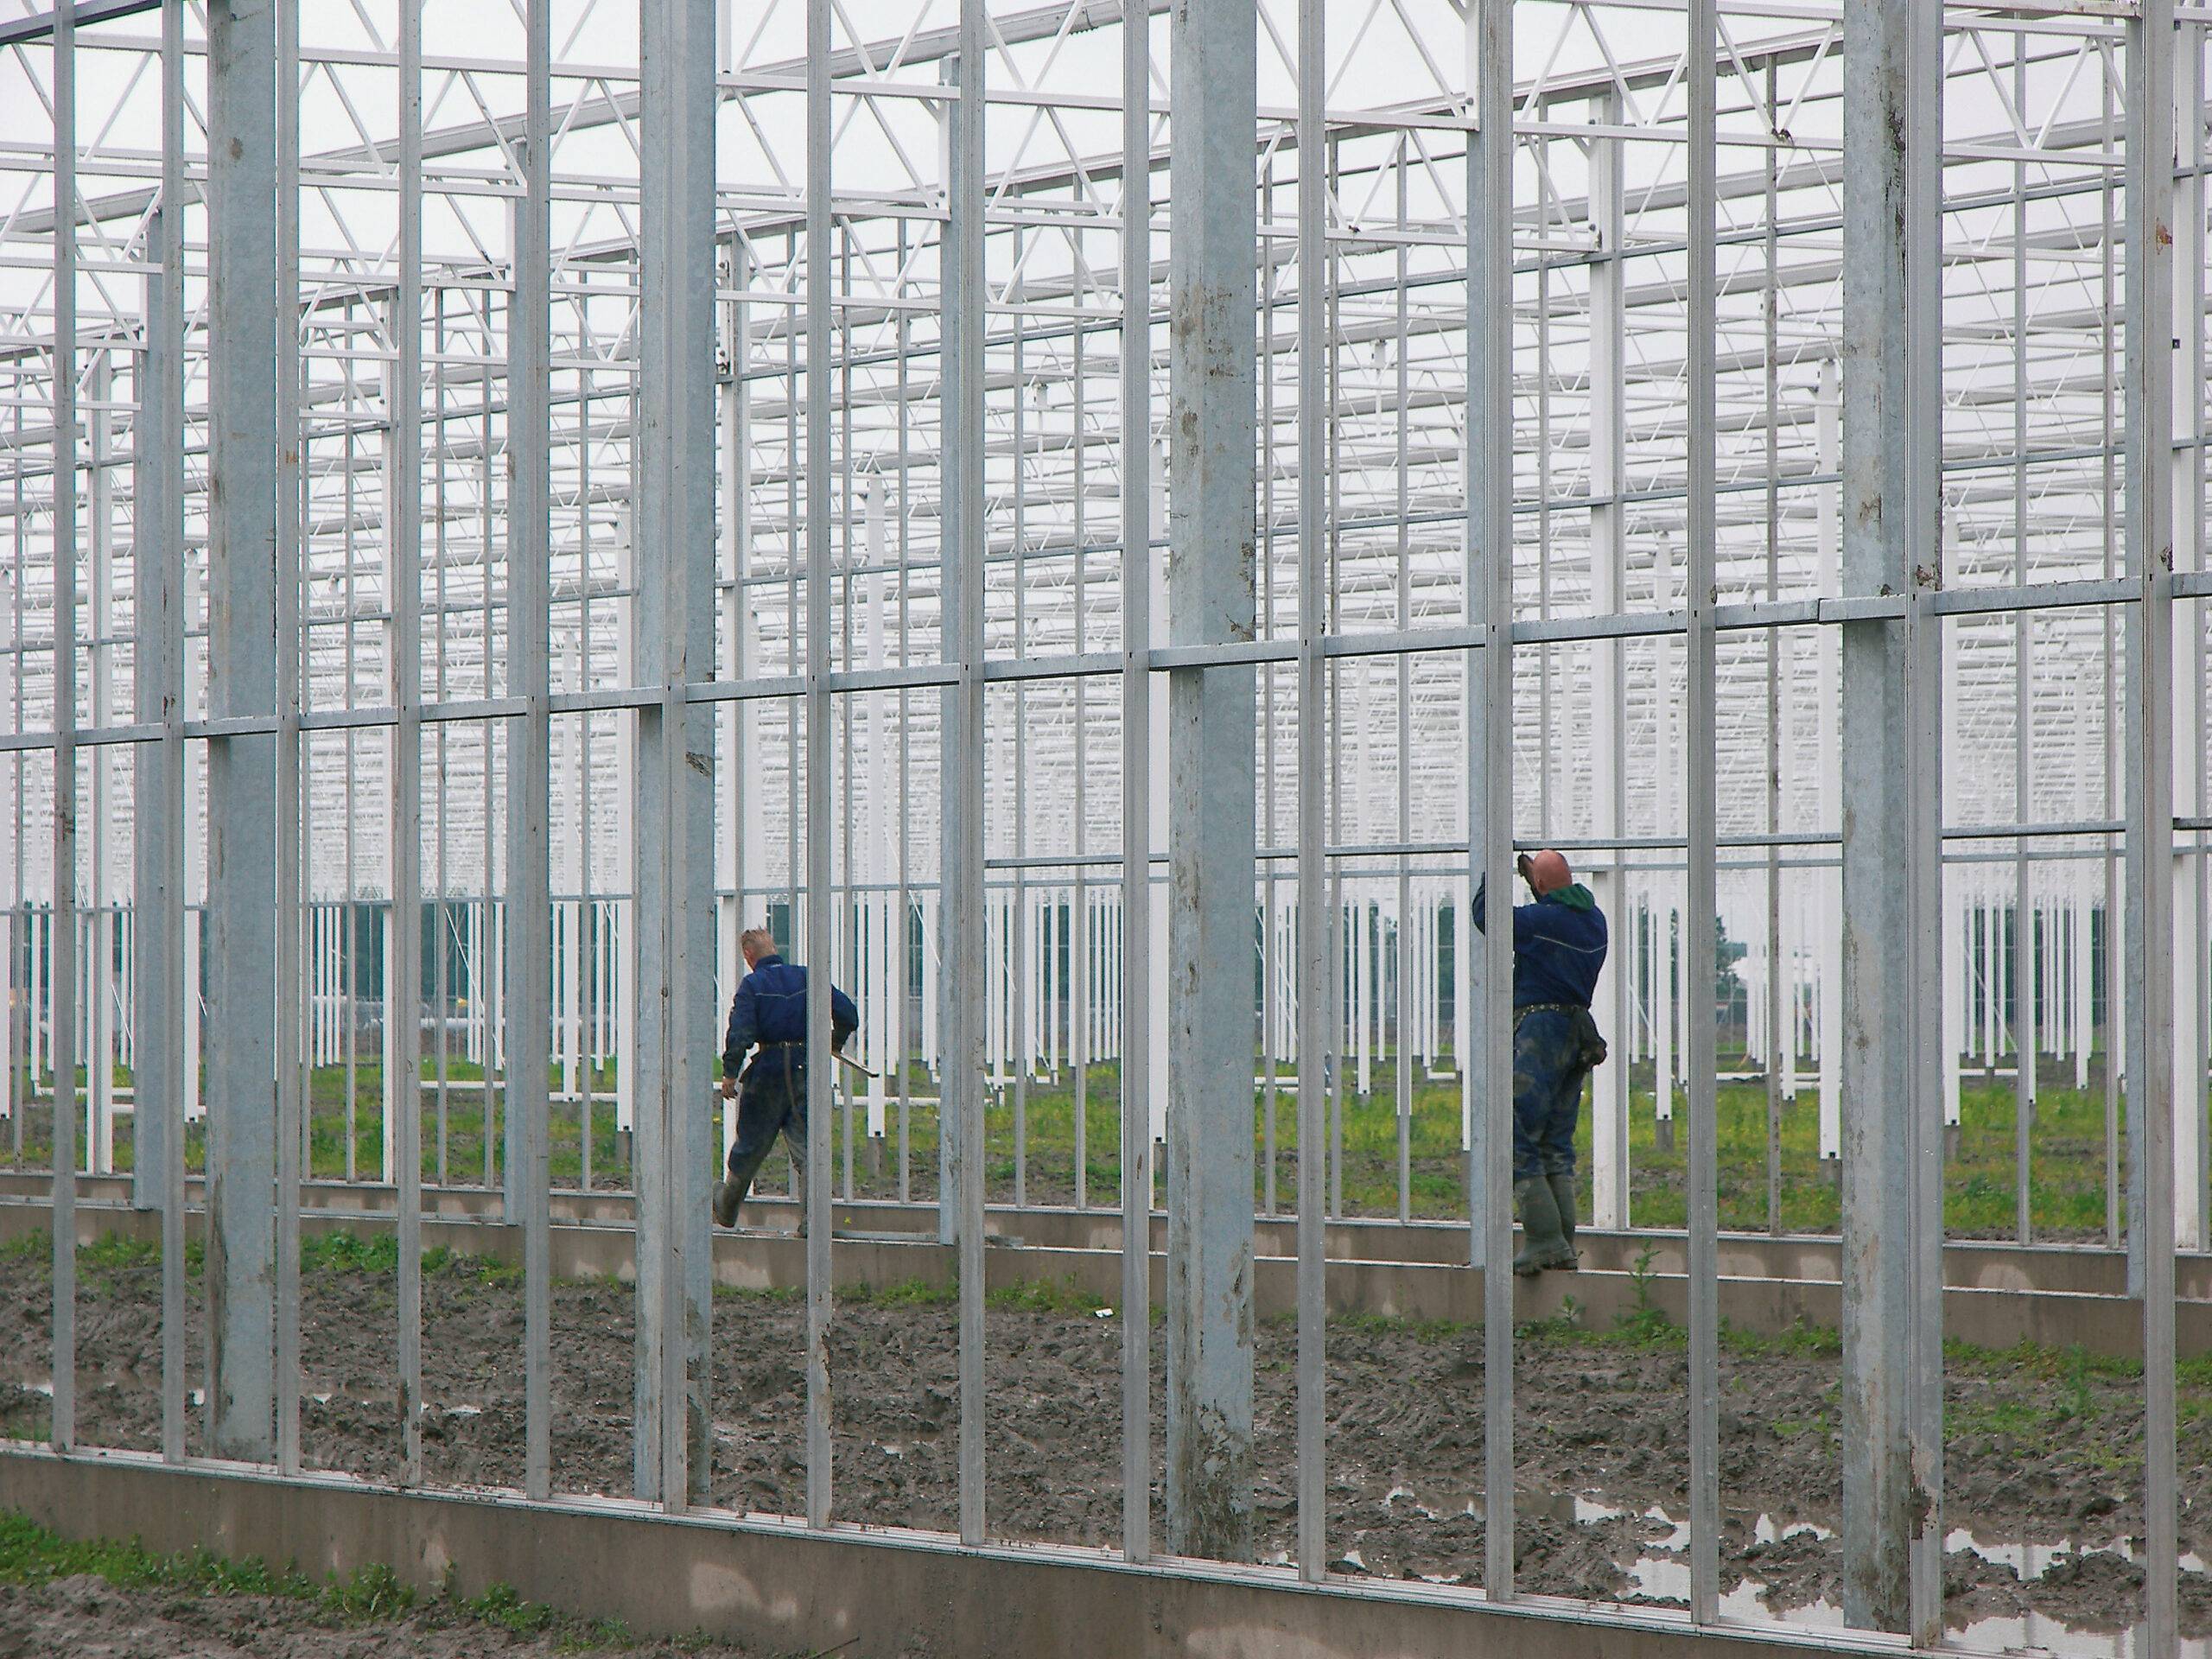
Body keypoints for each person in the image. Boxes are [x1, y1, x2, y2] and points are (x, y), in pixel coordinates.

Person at [1472, 849, 1610, 1275]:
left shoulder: (1545, 921)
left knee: (1515, 1130)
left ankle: (1543, 1238)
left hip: (1541, 1030)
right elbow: (1549, 916)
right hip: (1577, 1030)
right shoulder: (1593, 919)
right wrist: (1537, 881)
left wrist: (1491, 872)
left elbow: (1488, 917)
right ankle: (1562, 1242)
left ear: (1542, 886)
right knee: (1555, 1141)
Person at [711, 926, 859, 1230]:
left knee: (750, 1144)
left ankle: (726, 1209)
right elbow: (848, 1014)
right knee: (808, 1149)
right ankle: (814, 1223)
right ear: (774, 948)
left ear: (749, 956)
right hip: (807, 1069)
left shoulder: (753, 984)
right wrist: (835, 1041)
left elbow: (740, 1032)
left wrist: (729, 1073)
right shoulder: (807, 976)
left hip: (768, 1070)